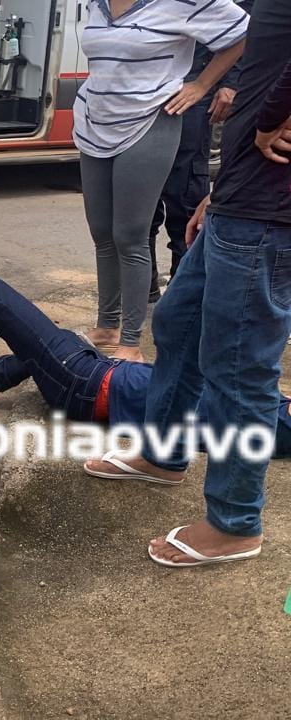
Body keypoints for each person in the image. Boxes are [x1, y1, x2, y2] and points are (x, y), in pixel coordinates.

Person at [83, 0, 291, 569]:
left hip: (270, 213)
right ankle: (164, 453)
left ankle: (235, 521)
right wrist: (217, 191)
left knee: (239, 366)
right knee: (177, 322)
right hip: (239, 197)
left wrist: (275, 113)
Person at [0, 277, 291, 460]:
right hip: (95, 376)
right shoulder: (265, 411)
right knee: (53, 341)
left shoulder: (269, 422)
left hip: (88, 384)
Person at [74, 0, 247, 362]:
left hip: (150, 120)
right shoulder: (96, 3)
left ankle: (131, 341)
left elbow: (243, 32)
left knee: (130, 234)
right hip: (94, 122)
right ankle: (107, 325)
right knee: (101, 231)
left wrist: (201, 85)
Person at [146, 1, 253, 296]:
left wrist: (228, 83)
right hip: (146, 94)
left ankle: (185, 292)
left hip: (192, 91)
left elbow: (248, 25)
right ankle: (144, 289)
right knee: (141, 204)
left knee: (185, 196)